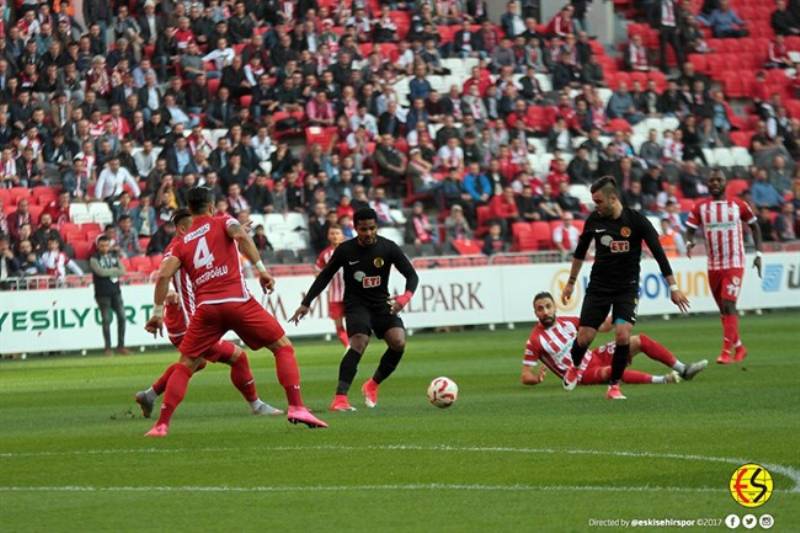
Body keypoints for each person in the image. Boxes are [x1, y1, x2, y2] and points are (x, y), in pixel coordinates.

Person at [144, 187, 327, 437]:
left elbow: (164, 274)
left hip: (206, 309)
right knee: (282, 347)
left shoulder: (181, 242)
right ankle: (297, 406)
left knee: (186, 365)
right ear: (211, 206)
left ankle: (161, 425)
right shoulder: (223, 221)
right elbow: (239, 237)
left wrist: (156, 313)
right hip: (237, 300)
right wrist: (261, 269)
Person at [136, 210, 281, 419]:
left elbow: (214, 252)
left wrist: (236, 234)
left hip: (187, 322)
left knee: (196, 363)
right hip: (188, 324)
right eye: (194, 224)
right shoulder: (175, 250)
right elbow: (162, 275)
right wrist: (164, 302)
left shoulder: (191, 245)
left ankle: (149, 395)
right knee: (238, 357)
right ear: (182, 229)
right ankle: (257, 405)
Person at [560, 176, 690, 400]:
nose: (595, 206)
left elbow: (659, 254)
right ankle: (575, 366)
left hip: (626, 288)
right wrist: (570, 283)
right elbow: (580, 253)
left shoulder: (637, 221)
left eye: (599, 201)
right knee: (584, 338)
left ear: (613, 198)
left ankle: (614, 386)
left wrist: (674, 287)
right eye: (593, 202)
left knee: (622, 335)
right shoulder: (594, 221)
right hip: (599, 287)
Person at [290, 208, 420, 412]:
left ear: (376, 227)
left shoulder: (388, 247)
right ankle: (340, 398)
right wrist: (306, 303)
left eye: (371, 228)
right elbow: (324, 277)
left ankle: (372, 385)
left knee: (398, 342)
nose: (368, 233)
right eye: (363, 229)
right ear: (355, 228)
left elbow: (412, 276)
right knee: (359, 342)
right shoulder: (345, 250)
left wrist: (404, 298)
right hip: (356, 305)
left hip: (381, 304)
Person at [520, 292, 707, 387]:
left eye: (547, 306)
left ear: (555, 307)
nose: (545, 311)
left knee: (638, 340)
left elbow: (603, 326)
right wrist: (536, 379)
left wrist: (623, 308)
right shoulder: (535, 340)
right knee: (611, 370)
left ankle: (683, 369)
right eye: (540, 308)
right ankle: (663, 380)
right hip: (580, 375)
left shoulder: (568, 322)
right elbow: (525, 375)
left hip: (595, 357)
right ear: (535, 312)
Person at [685, 170, 763, 364]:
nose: (715, 183)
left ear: (725, 183)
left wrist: (759, 254)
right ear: (707, 184)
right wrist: (689, 242)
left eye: (719, 180)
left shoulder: (738, 205)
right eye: (711, 180)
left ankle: (725, 352)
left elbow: (755, 226)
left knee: (729, 304)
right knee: (724, 310)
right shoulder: (701, 207)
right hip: (713, 265)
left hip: (735, 262)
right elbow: (690, 230)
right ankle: (740, 347)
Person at [90, 235, 128, 356]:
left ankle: (121, 346)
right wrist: (114, 270)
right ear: (98, 246)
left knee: (122, 317)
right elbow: (99, 272)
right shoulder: (93, 258)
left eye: (106, 245)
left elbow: (123, 270)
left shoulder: (114, 256)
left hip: (116, 292)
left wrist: (110, 271)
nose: (105, 247)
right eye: (102, 245)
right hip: (102, 293)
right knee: (106, 320)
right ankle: (107, 347)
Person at [315, 224, 349, 348]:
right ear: (328, 236)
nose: (334, 236)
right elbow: (317, 272)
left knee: (354, 323)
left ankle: (355, 346)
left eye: (337, 233)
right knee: (339, 325)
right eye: (332, 234)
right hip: (334, 296)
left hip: (351, 295)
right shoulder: (325, 254)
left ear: (342, 235)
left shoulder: (351, 250)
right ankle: (348, 348)